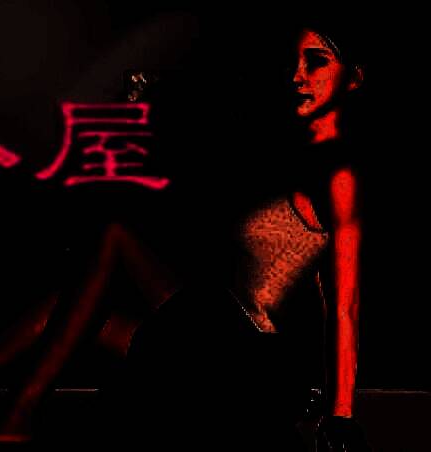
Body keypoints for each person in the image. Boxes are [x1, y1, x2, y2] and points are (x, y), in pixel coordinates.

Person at [113, 20, 371, 451]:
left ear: (355, 78)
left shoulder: (340, 177)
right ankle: (12, 410)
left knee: (105, 268)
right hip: (218, 328)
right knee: (110, 246)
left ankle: (17, 413)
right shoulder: (294, 154)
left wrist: (340, 414)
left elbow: (344, 304)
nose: (297, 76)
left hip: (245, 357)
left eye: (316, 62)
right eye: (294, 63)